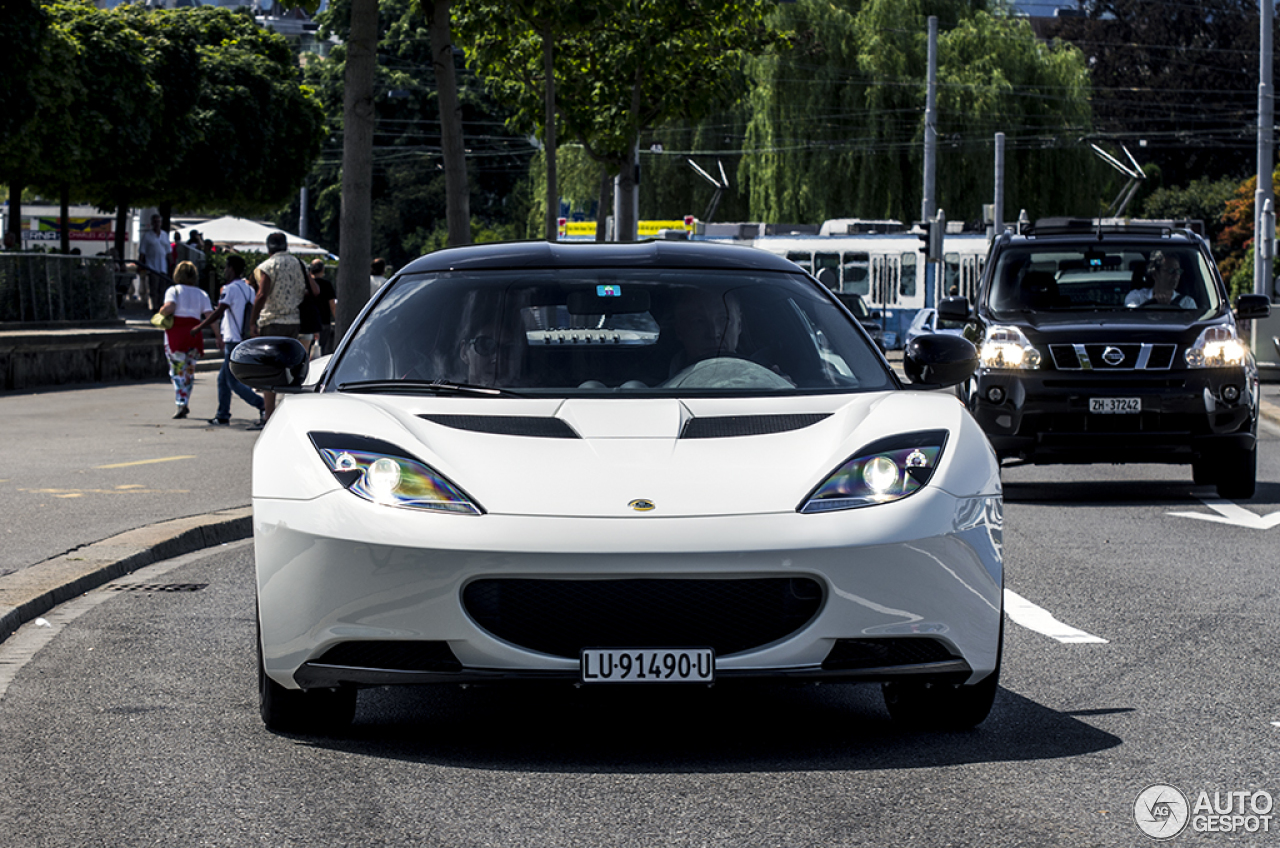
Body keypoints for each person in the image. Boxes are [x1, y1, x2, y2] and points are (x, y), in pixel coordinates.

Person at [191, 254, 265, 426]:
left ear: (231, 269)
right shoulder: (249, 289)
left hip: (233, 339)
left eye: (226, 267)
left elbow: (219, 312)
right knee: (223, 379)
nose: (225, 271)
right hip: (244, 338)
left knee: (231, 381)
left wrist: (199, 327)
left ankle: (261, 405)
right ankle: (222, 414)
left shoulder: (230, 289)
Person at [249, 231, 307, 426]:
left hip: (272, 321)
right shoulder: (299, 264)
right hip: (293, 321)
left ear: (268, 248)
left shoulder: (267, 266)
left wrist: (252, 320)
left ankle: (269, 416)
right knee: (290, 370)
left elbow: (262, 294)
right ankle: (289, 413)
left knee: (270, 370)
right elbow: (310, 290)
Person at [157, 260, 213, 419]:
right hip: (194, 333)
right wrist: (218, 335)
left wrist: (160, 312)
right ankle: (185, 400)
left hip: (176, 335)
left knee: (176, 369)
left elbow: (170, 307)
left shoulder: (173, 290)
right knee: (189, 370)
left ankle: (181, 402)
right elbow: (210, 316)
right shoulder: (202, 294)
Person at [1126, 251, 1197, 309]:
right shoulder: (1137, 297)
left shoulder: (1187, 303)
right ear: (1155, 274)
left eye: (1178, 271)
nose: (1176, 275)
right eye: (1171, 271)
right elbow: (1132, 317)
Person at [138, 213, 171, 312]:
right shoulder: (147, 236)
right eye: (155, 222)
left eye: (158, 221)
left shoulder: (165, 235)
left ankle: (162, 306)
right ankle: (155, 307)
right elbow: (142, 252)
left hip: (163, 267)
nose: (157, 224)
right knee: (154, 288)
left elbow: (168, 251)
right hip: (152, 266)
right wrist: (140, 265)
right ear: (152, 223)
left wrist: (172, 265)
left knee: (163, 289)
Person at [308, 258, 337, 354]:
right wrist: (336, 318)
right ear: (322, 270)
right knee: (323, 350)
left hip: (309, 322)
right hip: (324, 321)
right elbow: (332, 304)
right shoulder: (327, 284)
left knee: (308, 350)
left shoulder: (307, 284)